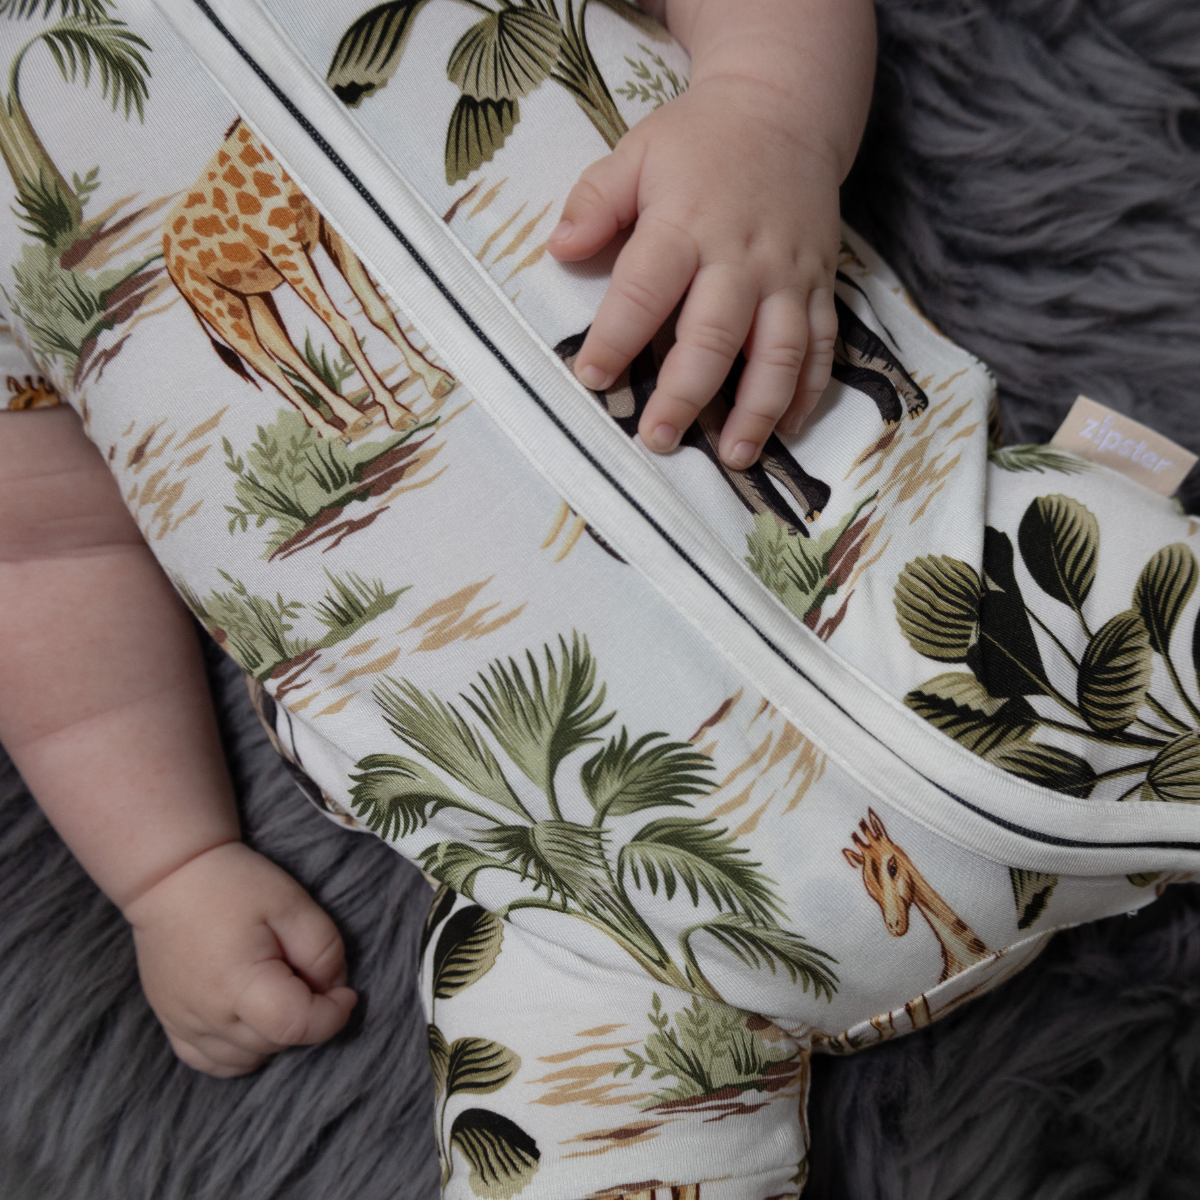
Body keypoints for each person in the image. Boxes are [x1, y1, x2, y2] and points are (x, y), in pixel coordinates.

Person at [0, 0, 876, 1080]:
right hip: (556, 893)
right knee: (535, 1100)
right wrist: (169, 867)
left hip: (900, 550)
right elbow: (42, 551)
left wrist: (771, 108)